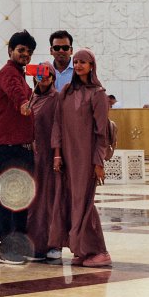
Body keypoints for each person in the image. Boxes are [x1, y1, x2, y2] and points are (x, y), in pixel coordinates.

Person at [54, 49, 114, 267]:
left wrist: (98, 162)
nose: (79, 65)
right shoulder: (67, 91)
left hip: (86, 158)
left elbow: (101, 132)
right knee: (72, 201)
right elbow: (57, 124)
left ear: (91, 66)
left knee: (84, 202)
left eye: (83, 62)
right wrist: (57, 153)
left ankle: (100, 251)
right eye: (76, 61)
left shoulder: (98, 94)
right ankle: (82, 248)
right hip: (68, 157)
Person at [0, 29, 38, 262]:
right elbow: (17, 94)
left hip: (21, 146)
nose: (25, 55)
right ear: (10, 50)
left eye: (29, 52)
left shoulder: (21, 75)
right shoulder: (8, 73)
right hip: (9, 146)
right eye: (21, 50)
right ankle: (7, 248)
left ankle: (18, 246)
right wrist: (23, 103)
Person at [25, 61, 65, 261]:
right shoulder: (32, 98)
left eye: (48, 74)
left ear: (53, 77)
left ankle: (53, 244)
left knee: (50, 200)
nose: (44, 78)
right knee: (35, 202)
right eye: (40, 74)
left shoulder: (56, 98)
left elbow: (59, 127)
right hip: (34, 157)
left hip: (50, 157)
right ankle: (36, 244)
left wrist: (57, 154)